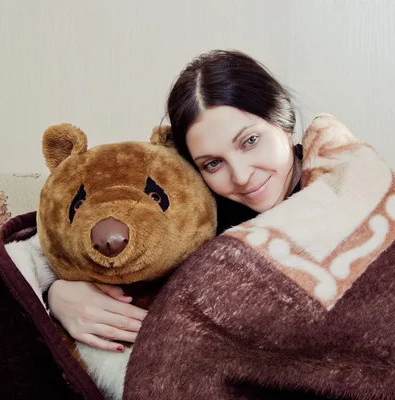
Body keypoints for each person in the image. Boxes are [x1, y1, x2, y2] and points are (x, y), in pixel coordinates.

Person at [47, 49, 303, 352]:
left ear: (284, 122)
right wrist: (58, 295)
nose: (242, 176)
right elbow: (47, 241)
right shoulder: (198, 216)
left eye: (249, 141)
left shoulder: (349, 188)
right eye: (213, 164)